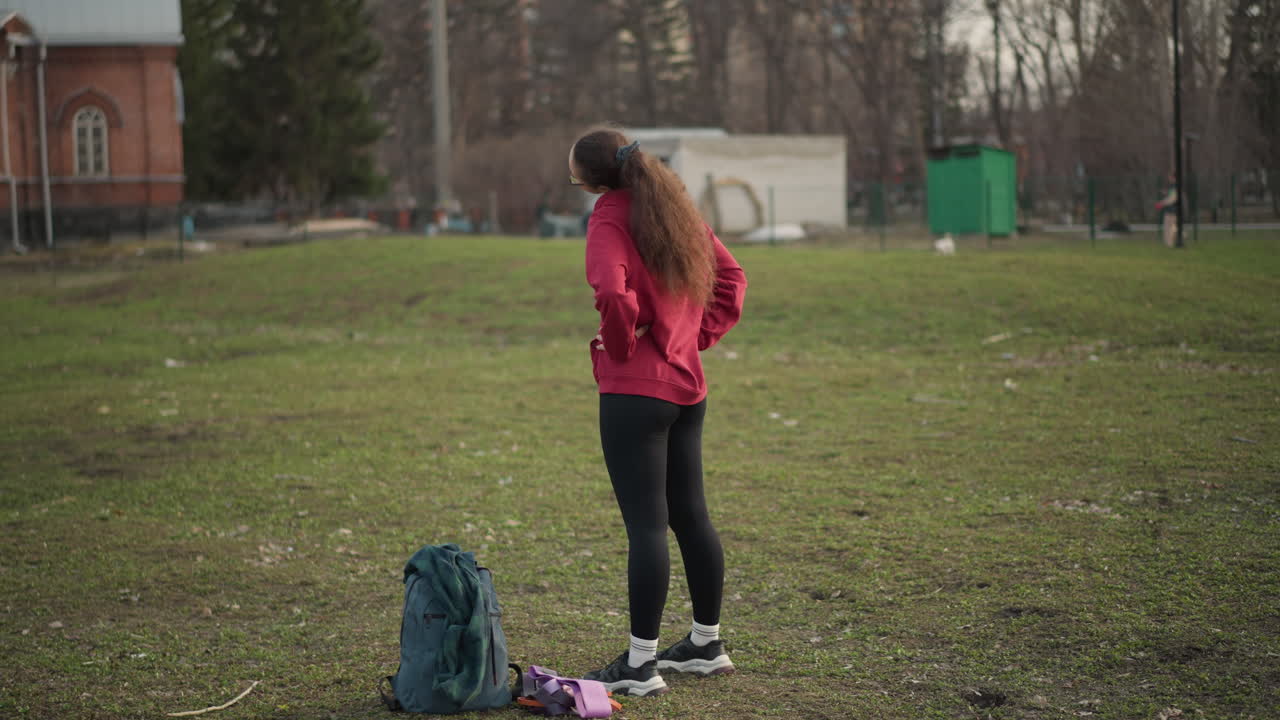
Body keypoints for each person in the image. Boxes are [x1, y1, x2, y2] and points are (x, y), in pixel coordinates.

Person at [569, 128, 747, 697]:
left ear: (594, 180)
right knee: (690, 516)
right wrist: (692, 338)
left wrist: (621, 348)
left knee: (647, 525)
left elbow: (613, 293)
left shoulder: (607, 215)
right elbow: (733, 281)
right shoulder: (674, 209)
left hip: (635, 393)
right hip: (686, 388)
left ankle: (641, 666)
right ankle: (704, 643)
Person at [1155, 175, 1178, 248]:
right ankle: (1167, 243)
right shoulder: (1171, 187)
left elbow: (1172, 199)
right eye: (1169, 178)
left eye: (1171, 178)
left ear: (1174, 178)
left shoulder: (1175, 187)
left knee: (1170, 227)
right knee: (1168, 227)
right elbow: (1171, 196)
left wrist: (1161, 203)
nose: (1169, 179)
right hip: (1168, 210)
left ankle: (1170, 243)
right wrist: (1166, 193)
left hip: (1173, 210)